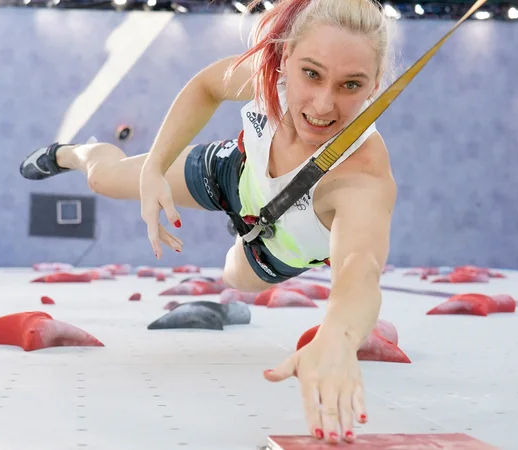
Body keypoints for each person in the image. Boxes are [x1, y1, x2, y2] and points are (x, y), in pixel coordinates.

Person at [20, 0, 395, 444]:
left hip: (274, 247)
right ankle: (69, 153)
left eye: (351, 85)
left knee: (236, 277)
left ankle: (241, 244)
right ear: (286, 59)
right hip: (231, 173)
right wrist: (156, 167)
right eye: (310, 74)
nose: (323, 104)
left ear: (374, 87)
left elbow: (360, 267)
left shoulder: (363, 173)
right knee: (104, 178)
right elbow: (205, 87)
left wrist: (340, 333)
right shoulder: (266, 76)